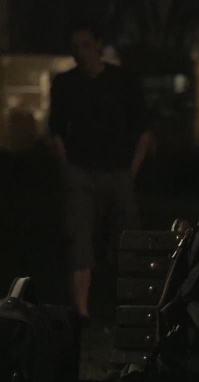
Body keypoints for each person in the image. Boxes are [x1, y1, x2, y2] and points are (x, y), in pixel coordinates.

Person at [49, 21, 152, 322]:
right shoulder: (65, 83)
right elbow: (56, 130)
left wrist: (131, 171)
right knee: (79, 241)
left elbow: (143, 130)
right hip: (81, 173)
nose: (80, 52)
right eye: (75, 46)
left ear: (98, 45)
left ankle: (129, 308)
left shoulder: (122, 81)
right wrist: (67, 167)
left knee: (127, 241)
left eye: (85, 44)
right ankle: (81, 312)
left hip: (118, 173)